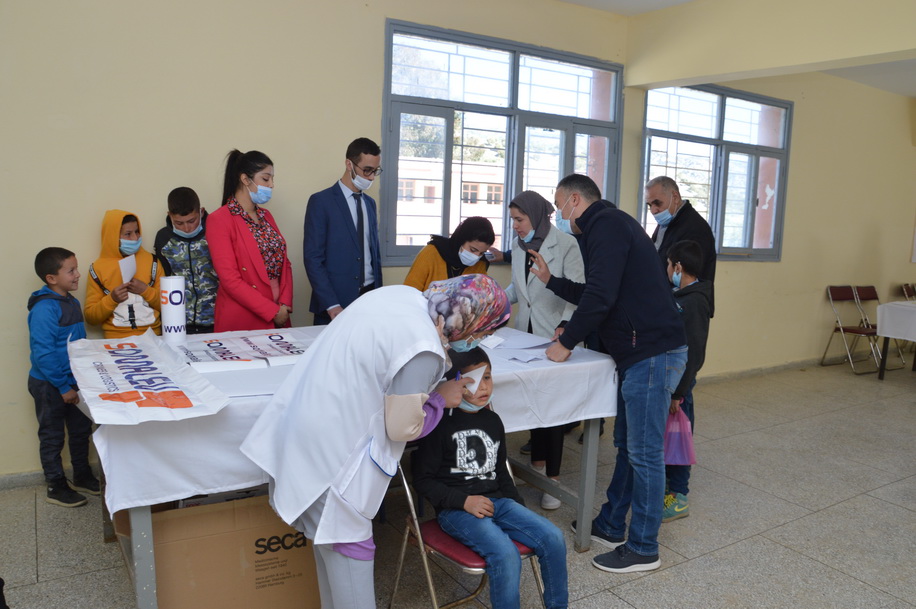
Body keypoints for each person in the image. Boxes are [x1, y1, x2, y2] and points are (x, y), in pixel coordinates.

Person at [240, 274, 510, 609]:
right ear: (471, 317)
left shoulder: (402, 296)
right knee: (348, 551)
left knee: (329, 550)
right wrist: (440, 399)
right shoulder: (424, 347)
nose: (479, 339)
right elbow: (403, 428)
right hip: (336, 460)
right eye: (483, 331)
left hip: (306, 434)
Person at [528, 173, 687, 574]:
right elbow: (598, 292)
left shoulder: (608, 225)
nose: (558, 214)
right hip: (637, 353)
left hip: (652, 351)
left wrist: (566, 342)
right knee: (626, 444)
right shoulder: (602, 229)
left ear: (575, 200)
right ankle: (612, 524)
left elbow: (601, 296)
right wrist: (551, 282)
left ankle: (644, 547)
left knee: (644, 452)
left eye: (558, 205)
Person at [412, 347, 569, 609]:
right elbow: (422, 480)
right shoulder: (438, 425)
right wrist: (464, 501)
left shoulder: (493, 421)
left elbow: (502, 473)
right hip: (458, 510)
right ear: (454, 384)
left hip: (499, 502)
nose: (484, 386)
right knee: (506, 554)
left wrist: (518, 507)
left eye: (487, 377)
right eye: (473, 380)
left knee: (553, 537)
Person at [504, 191, 584, 510]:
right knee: (533, 403)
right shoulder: (519, 246)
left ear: (536, 216)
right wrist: (491, 300)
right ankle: (536, 466)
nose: (515, 226)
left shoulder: (566, 245)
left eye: (519, 219)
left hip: (555, 336)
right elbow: (518, 288)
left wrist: (565, 326)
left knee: (552, 409)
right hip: (525, 337)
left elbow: (578, 292)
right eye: (512, 219)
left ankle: (553, 478)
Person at [28, 247, 98, 508]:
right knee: (52, 436)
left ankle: (82, 476)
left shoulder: (71, 301)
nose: (78, 274)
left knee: (80, 431)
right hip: (49, 385)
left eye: (76, 269)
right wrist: (62, 386)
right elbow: (43, 354)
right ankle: (55, 486)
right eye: (71, 271)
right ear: (51, 278)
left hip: (73, 381)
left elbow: (77, 344)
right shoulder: (44, 309)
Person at [207, 149, 293, 332]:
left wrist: (284, 305)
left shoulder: (266, 215)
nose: (271, 185)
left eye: (272, 179)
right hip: (244, 317)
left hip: (280, 313)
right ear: (245, 179)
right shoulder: (219, 220)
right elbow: (230, 280)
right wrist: (272, 311)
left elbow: (285, 264)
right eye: (266, 179)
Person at [303, 137, 384, 325]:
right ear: (349, 164)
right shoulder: (321, 202)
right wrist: (331, 304)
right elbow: (313, 258)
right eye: (367, 170)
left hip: (369, 299)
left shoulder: (370, 204)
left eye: (375, 171)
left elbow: (374, 254)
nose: (371, 177)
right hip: (334, 304)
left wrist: (379, 296)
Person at [662, 240, 712, 523]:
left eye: (669, 265)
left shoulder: (693, 302)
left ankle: (679, 496)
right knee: (670, 438)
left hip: (679, 387)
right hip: (673, 382)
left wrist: (677, 393)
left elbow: (694, 354)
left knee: (680, 438)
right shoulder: (681, 295)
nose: (667, 270)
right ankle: (669, 488)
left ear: (678, 267)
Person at [645, 176, 716, 314]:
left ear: (675, 197)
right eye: (649, 205)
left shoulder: (695, 228)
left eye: (657, 203)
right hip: (665, 302)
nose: (653, 210)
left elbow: (691, 275)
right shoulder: (666, 222)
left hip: (685, 308)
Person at [85, 210, 162, 338]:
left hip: (153, 336)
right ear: (113, 236)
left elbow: (169, 306)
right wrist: (112, 299)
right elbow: (91, 318)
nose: (135, 238)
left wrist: (145, 290)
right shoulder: (97, 269)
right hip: (115, 339)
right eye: (128, 234)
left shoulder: (153, 262)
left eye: (137, 232)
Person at [153, 187, 218, 334]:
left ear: (201, 212)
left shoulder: (216, 232)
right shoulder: (163, 238)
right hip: (177, 324)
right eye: (179, 223)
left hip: (216, 321)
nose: (187, 228)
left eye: (192, 221)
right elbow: (163, 279)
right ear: (169, 216)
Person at [404, 216, 494, 292]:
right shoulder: (431, 253)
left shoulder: (480, 264)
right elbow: (409, 291)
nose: (476, 256)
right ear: (461, 240)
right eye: (473, 250)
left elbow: (479, 296)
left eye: (482, 253)